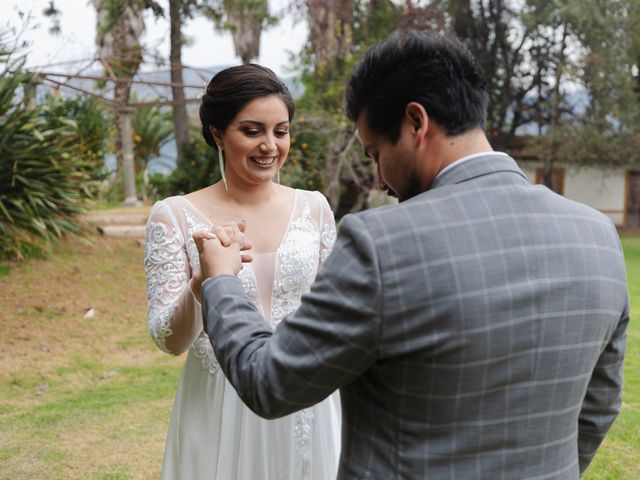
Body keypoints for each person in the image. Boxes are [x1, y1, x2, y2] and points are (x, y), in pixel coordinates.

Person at [195, 30, 630, 480]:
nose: (381, 179)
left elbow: (269, 382)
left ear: (416, 123)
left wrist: (221, 281)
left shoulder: (381, 243)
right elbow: (599, 406)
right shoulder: (597, 235)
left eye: (375, 153)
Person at [143, 64, 341, 479]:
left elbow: (335, 312)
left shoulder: (315, 207)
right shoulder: (174, 216)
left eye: (280, 131)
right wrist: (207, 278)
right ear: (217, 133)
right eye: (252, 131)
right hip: (221, 402)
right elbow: (169, 340)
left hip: (307, 396)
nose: (270, 146)